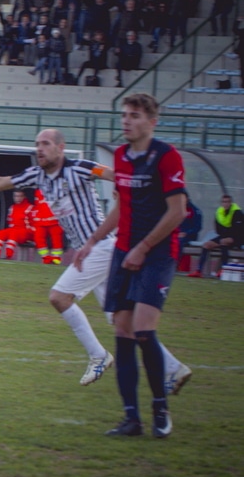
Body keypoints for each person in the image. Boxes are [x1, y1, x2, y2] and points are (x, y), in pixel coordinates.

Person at [0, 126, 189, 391]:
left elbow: (114, 175)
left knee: (59, 297)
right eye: (37, 144)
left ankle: (98, 355)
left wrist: (125, 191)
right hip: (93, 252)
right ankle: (173, 368)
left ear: (61, 148)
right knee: (120, 321)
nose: (40, 148)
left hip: (103, 247)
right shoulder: (36, 175)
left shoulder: (82, 168)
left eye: (46, 143)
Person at [75, 94, 189, 438]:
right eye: (124, 115)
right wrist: (93, 241)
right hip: (124, 254)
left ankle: (159, 407)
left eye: (134, 115)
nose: (126, 120)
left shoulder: (167, 157)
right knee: (123, 333)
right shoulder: (121, 157)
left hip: (156, 255)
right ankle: (131, 419)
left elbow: (177, 212)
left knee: (143, 330)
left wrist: (143, 247)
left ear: (152, 122)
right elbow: (121, 207)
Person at [192, 194, 242, 278]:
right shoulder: (219, 212)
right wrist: (224, 235)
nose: (225, 204)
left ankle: (223, 269)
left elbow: (240, 230)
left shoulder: (238, 213)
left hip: (237, 238)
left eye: (227, 202)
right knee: (206, 245)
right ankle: (198, 271)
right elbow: (218, 230)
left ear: (231, 203)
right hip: (223, 237)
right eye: (223, 202)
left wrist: (230, 237)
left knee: (224, 242)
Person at [0, 190, 34, 259]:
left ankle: (9, 255)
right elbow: (10, 221)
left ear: (24, 197)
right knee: (1, 233)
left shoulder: (30, 207)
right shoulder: (12, 208)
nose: (18, 198)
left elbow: (34, 223)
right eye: (16, 196)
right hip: (15, 230)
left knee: (13, 234)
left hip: (26, 231)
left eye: (20, 196)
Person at [30, 192, 64, 265]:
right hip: (40, 220)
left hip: (54, 219)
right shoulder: (38, 191)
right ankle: (45, 257)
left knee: (56, 239)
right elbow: (37, 205)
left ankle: (56, 257)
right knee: (38, 238)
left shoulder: (55, 187)